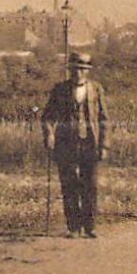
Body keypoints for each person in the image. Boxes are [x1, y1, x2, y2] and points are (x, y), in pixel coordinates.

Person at [40, 51, 108, 238]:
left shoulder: (96, 89)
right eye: (75, 70)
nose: (78, 73)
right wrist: (49, 135)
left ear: (87, 71)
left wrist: (104, 146)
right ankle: (73, 227)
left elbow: (104, 120)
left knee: (90, 185)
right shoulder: (60, 90)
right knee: (69, 185)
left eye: (82, 70)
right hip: (66, 143)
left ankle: (90, 226)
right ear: (69, 71)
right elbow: (47, 117)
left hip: (89, 143)